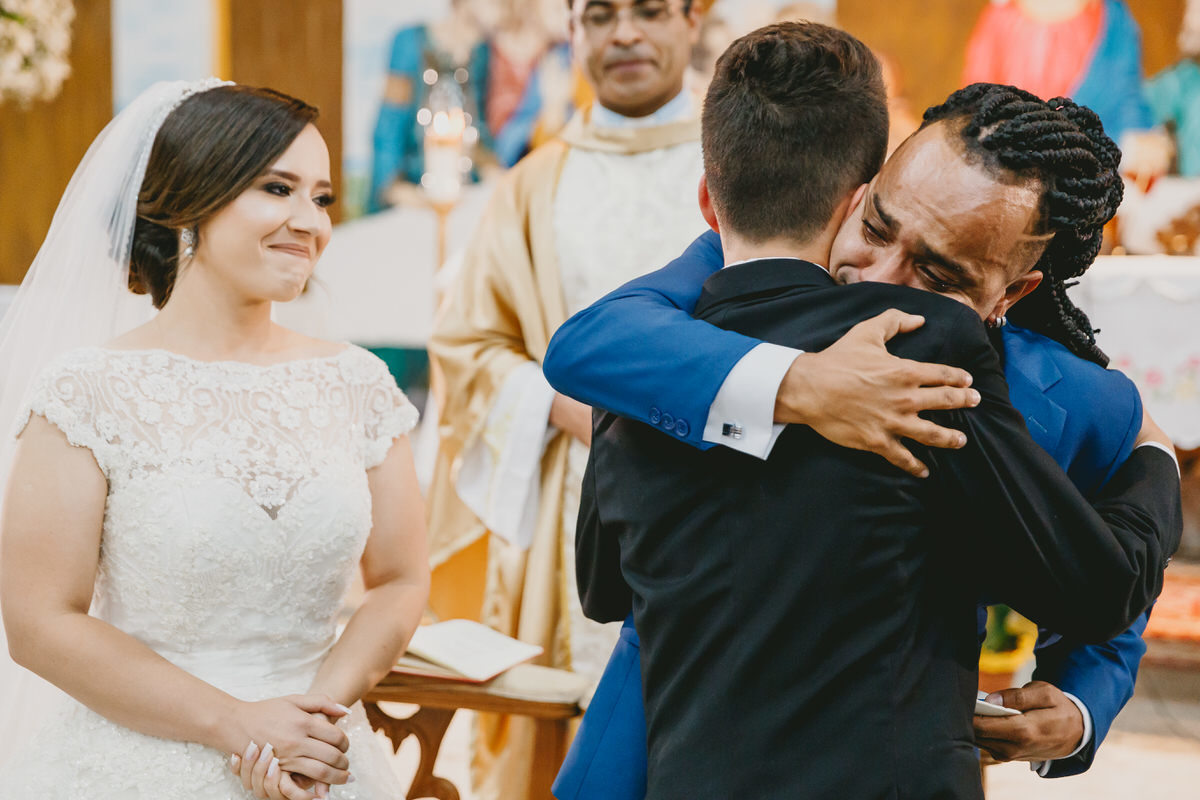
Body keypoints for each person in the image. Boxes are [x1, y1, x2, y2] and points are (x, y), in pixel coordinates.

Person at [546, 42, 1180, 800]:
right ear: (856, 191)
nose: (882, 284)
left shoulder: (1069, 396)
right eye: (877, 229)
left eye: (938, 276)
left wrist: (1078, 704)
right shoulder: (689, 308)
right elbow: (589, 343)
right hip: (650, 746)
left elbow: (1108, 573)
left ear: (1012, 292)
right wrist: (799, 383)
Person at [426, 2, 977, 796]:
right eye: (599, 15)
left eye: (649, 11)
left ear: (694, 21)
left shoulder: (770, 147)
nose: (623, 34)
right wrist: (635, 414)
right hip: (615, 494)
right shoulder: (533, 186)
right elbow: (508, 349)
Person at [0, 80, 430, 800]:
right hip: (137, 760)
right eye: (277, 188)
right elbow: (40, 622)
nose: (311, 223)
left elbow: (401, 580)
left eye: (321, 198)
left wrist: (314, 720)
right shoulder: (87, 391)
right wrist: (237, 725)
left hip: (320, 759)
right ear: (192, 200)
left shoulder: (357, 383)